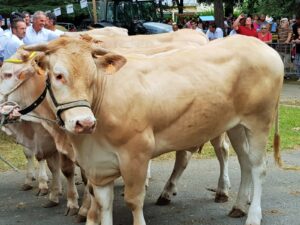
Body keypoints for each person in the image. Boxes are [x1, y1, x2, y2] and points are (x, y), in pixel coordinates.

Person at [292, 16, 300, 81]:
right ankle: (298, 75)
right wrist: (294, 40)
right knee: (297, 63)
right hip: (297, 50)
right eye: (298, 30)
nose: (298, 31)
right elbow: (294, 38)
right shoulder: (294, 26)